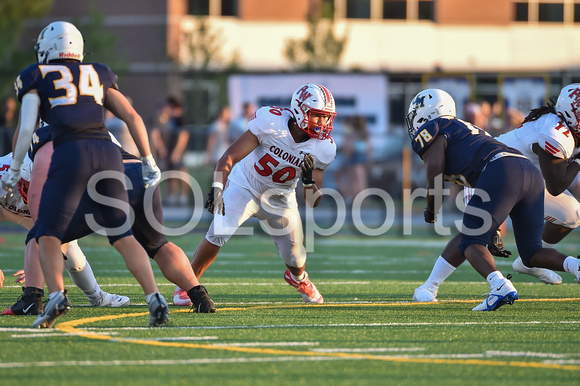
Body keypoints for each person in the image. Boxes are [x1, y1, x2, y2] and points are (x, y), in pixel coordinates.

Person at [1, 21, 168, 328]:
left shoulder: (35, 76)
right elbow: (131, 115)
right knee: (123, 235)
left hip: (70, 152)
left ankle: (55, 297)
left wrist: (14, 168)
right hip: (107, 152)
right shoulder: (98, 72)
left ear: (48, 49)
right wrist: (148, 159)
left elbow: (26, 127)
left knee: (47, 232)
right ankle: (154, 297)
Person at [406, 88, 580, 311]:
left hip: (500, 171)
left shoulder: (434, 127)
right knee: (531, 252)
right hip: (528, 173)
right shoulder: (469, 130)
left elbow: (435, 171)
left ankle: (499, 285)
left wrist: (431, 209)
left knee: (471, 239)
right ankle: (576, 265)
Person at [18, 123, 215, 313]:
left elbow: (42, 194)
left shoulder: (46, 135)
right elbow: (131, 116)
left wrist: (40, 253)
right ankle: (199, 295)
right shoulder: (96, 124)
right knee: (158, 245)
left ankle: (32, 299)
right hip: (139, 171)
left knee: (42, 235)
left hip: (106, 182)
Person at [174, 83, 337, 305]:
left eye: (326, 117)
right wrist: (218, 187)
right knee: (218, 231)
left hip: (281, 199)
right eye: (317, 116)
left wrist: (308, 180)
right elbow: (229, 157)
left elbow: (313, 201)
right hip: (246, 185)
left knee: (296, 258)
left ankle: (298, 278)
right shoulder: (271, 122)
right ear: (299, 110)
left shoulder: (323, 148)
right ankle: (186, 286)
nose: (322, 123)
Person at [0, 150, 130, 315]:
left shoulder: (64, 183)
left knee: (72, 255)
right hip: (6, 208)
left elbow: (63, 235)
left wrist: (38, 266)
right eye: (25, 184)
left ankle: (97, 297)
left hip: (44, 214)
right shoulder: (3, 173)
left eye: (36, 184)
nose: (30, 189)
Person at [150, 96, 190, 206]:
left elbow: (183, 136)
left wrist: (177, 151)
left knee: (181, 172)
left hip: (177, 152)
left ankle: (184, 197)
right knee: (170, 173)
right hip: (169, 151)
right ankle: (171, 197)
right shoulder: (168, 119)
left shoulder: (180, 119)